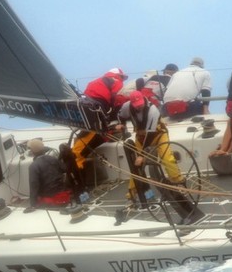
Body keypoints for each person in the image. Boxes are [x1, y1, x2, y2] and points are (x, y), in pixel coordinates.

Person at [118, 91, 203, 223]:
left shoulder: (153, 110)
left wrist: (142, 155)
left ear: (143, 100)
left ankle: (178, 182)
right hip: (140, 137)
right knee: (136, 165)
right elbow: (121, 116)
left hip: (158, 135)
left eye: (140, 104)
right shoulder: (126, 107)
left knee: (167, 158)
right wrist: (121, 125)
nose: (138, 107)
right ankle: (132, 193)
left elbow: (150, 135)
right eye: (136, 105)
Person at [70, 67, 127, 173]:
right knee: (96, 129)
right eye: (123, 77)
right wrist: (115, 113)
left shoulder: (96, 81)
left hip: (86, 104)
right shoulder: (117, 81)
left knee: (89, 130)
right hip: (99, 104)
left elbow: (87, 93)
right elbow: (116, 98)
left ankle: (75, 153)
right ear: (119, 76)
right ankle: (77, 159)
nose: (123, 80)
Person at [23, 139, 71, 212]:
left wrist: (32, 205)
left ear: (32, 152)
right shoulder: (53, 159)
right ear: (43, 149)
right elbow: (64, 169)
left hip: (49, 200)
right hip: (62, 195)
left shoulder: (33, 166)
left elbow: (34, 186)